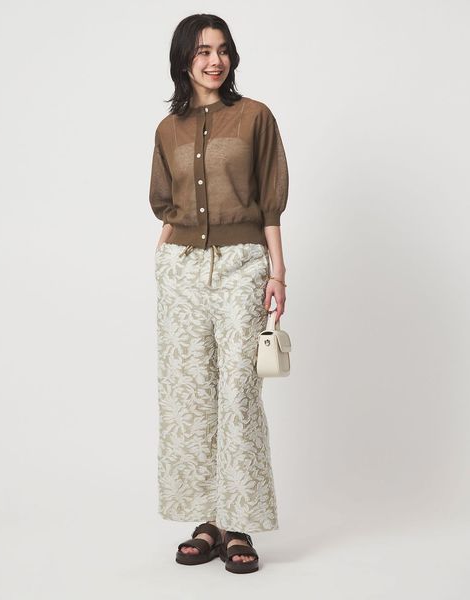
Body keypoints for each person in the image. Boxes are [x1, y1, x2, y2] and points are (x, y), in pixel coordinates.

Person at [149, 13, 289, 574]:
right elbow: (166, 205)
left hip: (242, 265)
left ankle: (240, 523)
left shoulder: (254, 116)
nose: (215, 60)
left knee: (237, 392)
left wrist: (278, 272)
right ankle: (207, 520)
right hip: (180, 268)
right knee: (189, 395)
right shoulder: (168, 130)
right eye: (204, 51)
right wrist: (161, 263)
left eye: (223, 50)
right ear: (184, 59)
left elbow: (270, 200)